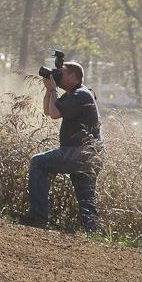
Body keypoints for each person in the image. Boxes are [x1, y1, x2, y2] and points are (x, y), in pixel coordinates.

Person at [24, 61, 103, 231]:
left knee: (38, 162)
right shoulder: (75, 93)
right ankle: (92, 231)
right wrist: (48, 89)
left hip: (79, 152)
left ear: (74, 77)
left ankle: (38, 217)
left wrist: (53, 89)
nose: (58, 75)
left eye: (62, 73)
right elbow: (48, 109)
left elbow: (54, 113)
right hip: (90, 154)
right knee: (85, 196)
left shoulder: (80, 95)